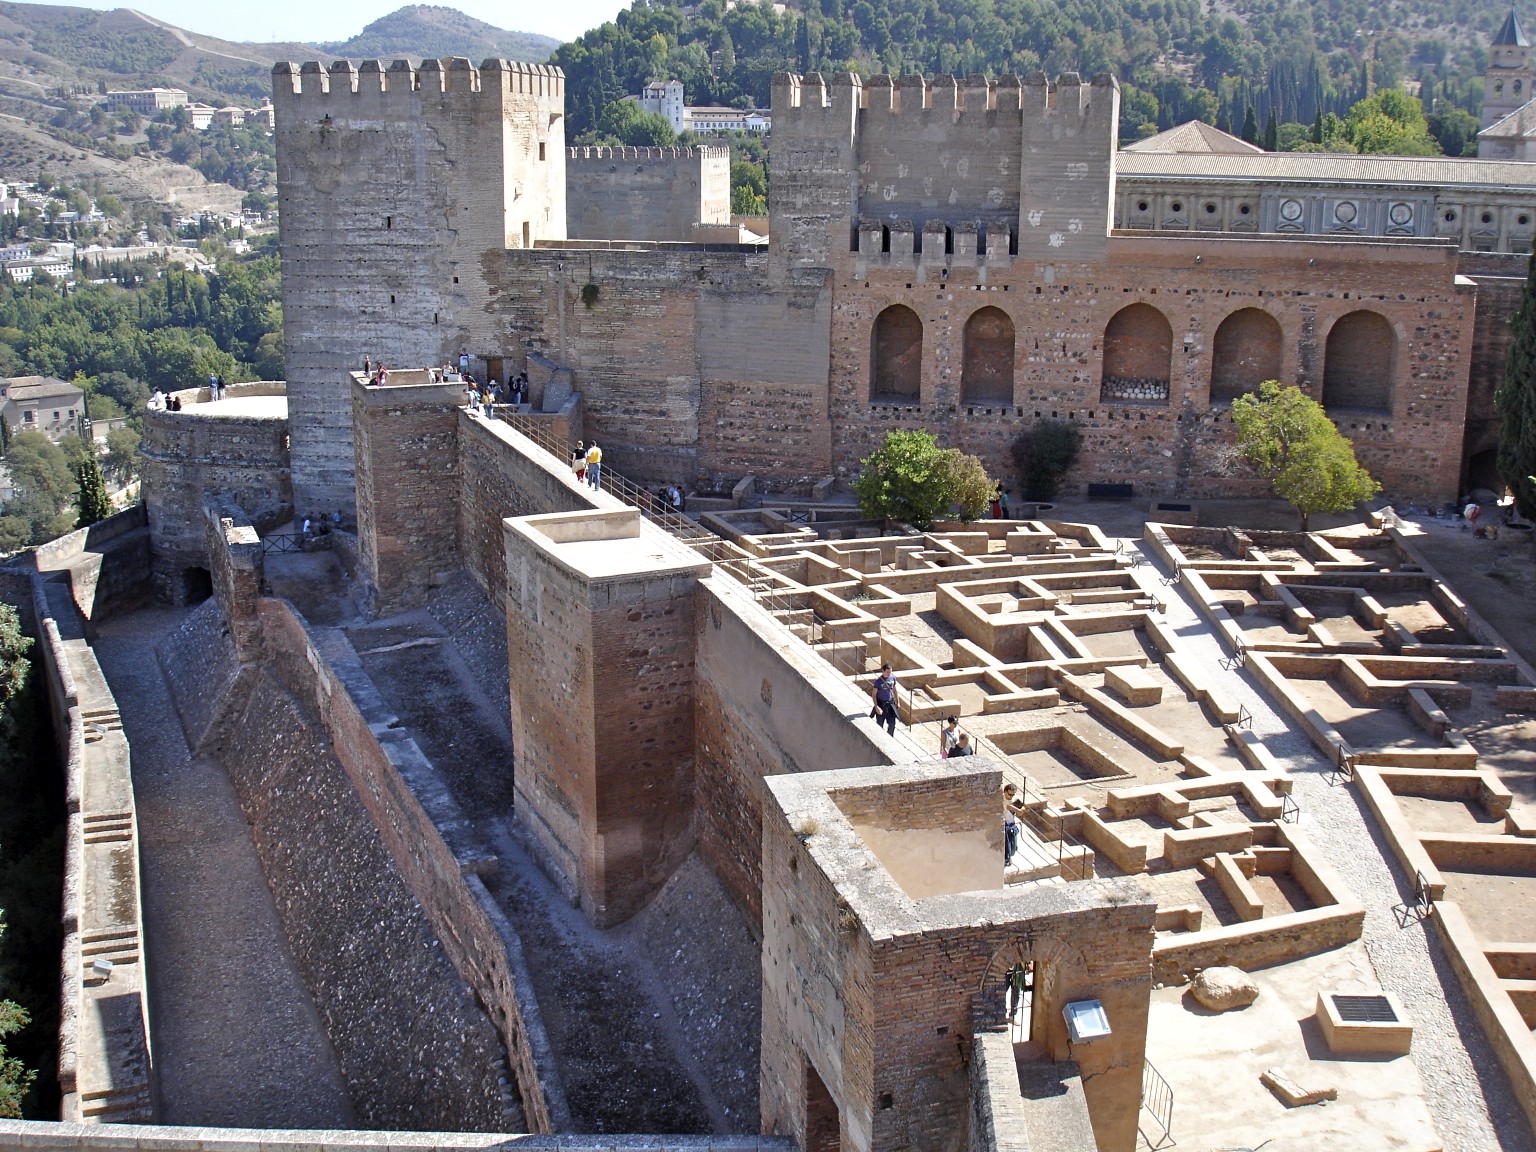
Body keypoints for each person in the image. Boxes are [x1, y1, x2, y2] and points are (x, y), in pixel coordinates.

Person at [870, 663, 898, 736]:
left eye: (890, 672)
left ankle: (890, 738)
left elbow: (894, 690)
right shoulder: (878, 681)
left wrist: (897, 701)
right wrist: (876, 707)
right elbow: (874, 695)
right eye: (887, 672)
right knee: (880, 725)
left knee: (892, 724)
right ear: (883, 671)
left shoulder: (893, 678)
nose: (889, 674)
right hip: (881, 704)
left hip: (890, 704)